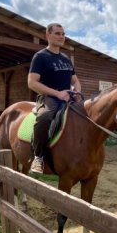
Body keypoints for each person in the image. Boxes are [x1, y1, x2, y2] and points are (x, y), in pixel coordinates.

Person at [28, 23, 81, 173]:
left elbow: (75, 80)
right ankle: (38, 157)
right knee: (44, 118)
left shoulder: (66, 58)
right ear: (48, 35)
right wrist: (57, 93)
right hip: (49, 98)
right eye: (57, 33)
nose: (61, 36)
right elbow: (31, 82)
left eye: (63, 34)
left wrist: (77, 92)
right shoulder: (40, 57)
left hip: (68, 98)